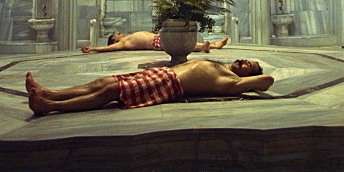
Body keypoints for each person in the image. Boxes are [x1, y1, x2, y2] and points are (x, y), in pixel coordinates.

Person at [26, 58, 273, 115]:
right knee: (104, 82)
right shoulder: (220, 65)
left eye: (248, 65)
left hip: (169, 84)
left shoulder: (232, 82)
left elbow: (268, 81)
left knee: (111, 93)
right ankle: (49, 93)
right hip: (161, 73)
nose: (242, 61)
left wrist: (251, 78)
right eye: (245, 59)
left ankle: (47, 106)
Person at [81, 30, 228, 55]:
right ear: (114, 39)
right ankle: (203, 47)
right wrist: (93, 48)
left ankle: (215, 45)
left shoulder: (125, 39)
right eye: (117, 34)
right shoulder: (122, 44)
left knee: (181, 41)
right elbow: (109, 49)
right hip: (155, 43)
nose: (121, 34)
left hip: (157, 37)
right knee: (181, 45)